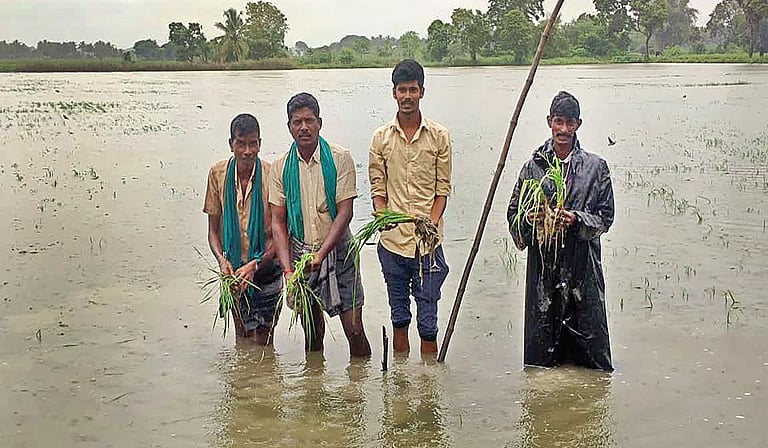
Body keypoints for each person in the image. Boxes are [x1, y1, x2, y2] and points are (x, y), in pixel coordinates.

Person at [507, 91, 614, 371]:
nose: (563, 129)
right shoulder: (532, 168)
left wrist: (576, 220)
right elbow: (513, 216)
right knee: (541, 365)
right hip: (544, 276)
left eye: (569, 123)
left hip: (583, 273)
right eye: (558, 122)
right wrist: (531, 221)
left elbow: (605, 217)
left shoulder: (596, 168)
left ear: (578, 124)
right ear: (549, 122)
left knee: (593, 368)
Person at [269, 92, 372, 357]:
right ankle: (314, 391)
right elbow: (278, 223)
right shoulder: (280, 167)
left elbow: (345, 213)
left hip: (339, 251)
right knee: (312, 334)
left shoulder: (340, 158)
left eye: (309, 120)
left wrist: (322, 253)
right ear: (289, 127)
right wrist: (289, 270)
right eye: (297, 122)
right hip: (302, 254)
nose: (303, 127)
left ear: (319, 123)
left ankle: (360, 389)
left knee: (354, 329)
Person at [368, 59, 452, 357]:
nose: (407, 96)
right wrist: (382, 215)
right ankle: (401, 382)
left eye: (412, 90)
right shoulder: (381, 138)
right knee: (399, 318)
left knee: (428, 323)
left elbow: (442, 191)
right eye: (401, 90)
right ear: (393, 93)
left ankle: (429, 389)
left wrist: (431, 222)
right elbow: (378, 189)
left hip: (428, 247)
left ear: (422, 92)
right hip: (393, 246)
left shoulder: (439, 135)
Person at [203, 113, 283, 345]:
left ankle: (263, 380)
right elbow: (213, 230)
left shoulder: (272, 174)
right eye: (241, 143)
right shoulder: (217, 174)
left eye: (253, 144)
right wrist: (221, 260)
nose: (247, 151)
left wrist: (255, 265)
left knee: (264, 341)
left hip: (267, 267)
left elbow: (281, 233)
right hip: (233, 270)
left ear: (260, 144)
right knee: (242, 338)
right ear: (231, 144)